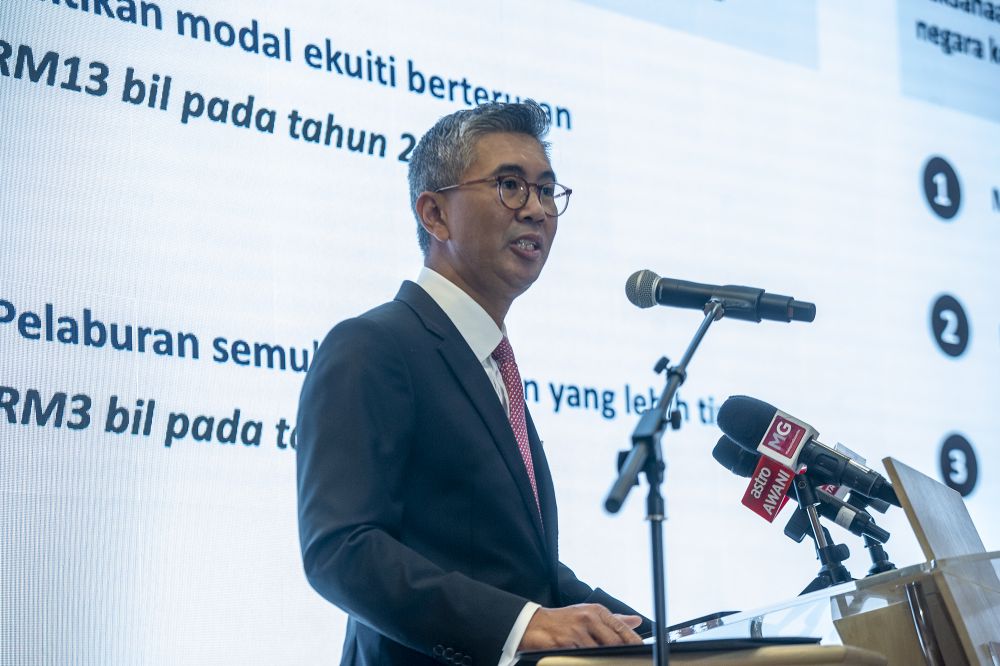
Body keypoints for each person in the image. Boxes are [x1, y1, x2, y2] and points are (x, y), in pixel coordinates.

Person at [296, 101, 650, 666]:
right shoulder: (373, 345)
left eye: (546, 191)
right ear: (434, 215)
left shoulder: (488, 361)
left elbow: (518, 571)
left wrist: (662, 639)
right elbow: (341, 551)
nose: (535, 209)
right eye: (510, 185)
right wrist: (524, 625)